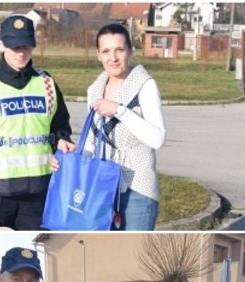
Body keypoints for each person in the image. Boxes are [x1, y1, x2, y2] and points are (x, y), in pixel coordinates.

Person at [0, 15, 75, 231]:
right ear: (0, 44)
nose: (20, 52)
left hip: (39, 194)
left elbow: (60, 126)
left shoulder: (46, 83)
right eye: (14, 46)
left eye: (26, 46)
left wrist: (63, 140)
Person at [52, 24, 166, 230]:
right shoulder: (94, 89)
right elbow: (92, 140)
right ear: (98, 55)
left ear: (131, 50)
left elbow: (157, 139)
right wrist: (71, 159)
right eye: (106, 51)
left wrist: (120, 110)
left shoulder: (145, 85)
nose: (113, 58)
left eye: (119, 50)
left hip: (137, 190)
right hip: (101, 188)